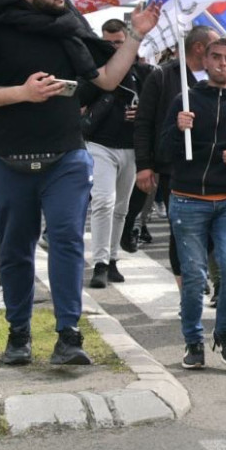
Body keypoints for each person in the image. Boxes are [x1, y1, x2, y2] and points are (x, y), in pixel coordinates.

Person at [0, 0, 161, 366]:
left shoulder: (67, 29)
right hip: (8, 160)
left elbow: (107, 80)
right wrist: (21, 93)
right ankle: (18, 334)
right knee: (15, 250)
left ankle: (68, 336)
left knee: (67, 242)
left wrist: (135, 35)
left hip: (66, 158)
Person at [164, 37, 226, 369]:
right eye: (217, 57)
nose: (223, 63)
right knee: (193, 276)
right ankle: (193, 341)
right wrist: (179, 129)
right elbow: (163, 149)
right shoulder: (186, 98)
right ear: (205, 60)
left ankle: (225, 334)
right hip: (188, 198)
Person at [134, 26, 214, 289]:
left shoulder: (221, 76)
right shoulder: (163, 76)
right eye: (215, 46)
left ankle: (209, 275)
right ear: (199, 48)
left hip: (214, 167)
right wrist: (144, 165)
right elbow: (144, 122)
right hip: (174, 167)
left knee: (213, 228)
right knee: (182, 226)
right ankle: (187, 284)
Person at [79, 18, 153, 289]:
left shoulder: (144, 73)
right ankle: (99, 263)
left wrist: (142, 112)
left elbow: (157, 107)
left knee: (121, 207)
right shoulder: (94, 71)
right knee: (102, 201)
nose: (113, 48)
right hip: (100, 145)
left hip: (132, 148)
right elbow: (78, 98)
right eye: (108, 43)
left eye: (119, 43)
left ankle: (111, 259)